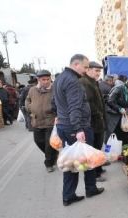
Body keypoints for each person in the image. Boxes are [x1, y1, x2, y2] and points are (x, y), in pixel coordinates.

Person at [53, 54, 104, 206]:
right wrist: (78, 129)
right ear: (76, 64)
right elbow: (74, 107)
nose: (86, 70)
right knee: (87, 158)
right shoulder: (73, 81)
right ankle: (90, 188)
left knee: (71, 162)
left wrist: (59, 116)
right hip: (76, 127)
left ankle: (68, 195)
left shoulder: (60, 78)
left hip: (64, 125)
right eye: (86, 67)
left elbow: (54, 102)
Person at [25, 70, 58, 172]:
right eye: (43, 79)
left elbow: (60, 103)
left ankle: (48, 163)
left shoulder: (54, 90)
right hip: (37, 121)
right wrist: (30, 108)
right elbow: (27, 100)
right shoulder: (32, 90)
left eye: (48, 79)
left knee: (49, 144)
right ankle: (53, 156)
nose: (46, 81)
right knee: (38, 141)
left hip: (50, 121)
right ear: (38, 80)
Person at [80, 61, 107, 182]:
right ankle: (95, 174)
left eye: (99, 71)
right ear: (88, 70)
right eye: (96, 71)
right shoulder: (85, 83)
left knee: (97, 146)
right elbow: (89, 103)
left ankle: (98, 168)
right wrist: (99, 114)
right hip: (92, 122)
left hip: (97, 121)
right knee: (93, 149)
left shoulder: (93, 82)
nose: (98, 74)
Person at [106, 79, 128, 145]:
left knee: (124, 128)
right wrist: (119, 108)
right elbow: (110, 101)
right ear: (126, 87)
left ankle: (124, 144)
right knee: (115, 130)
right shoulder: (118, 89)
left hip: (121, 114)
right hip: (113, 113)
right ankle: (115, 145)